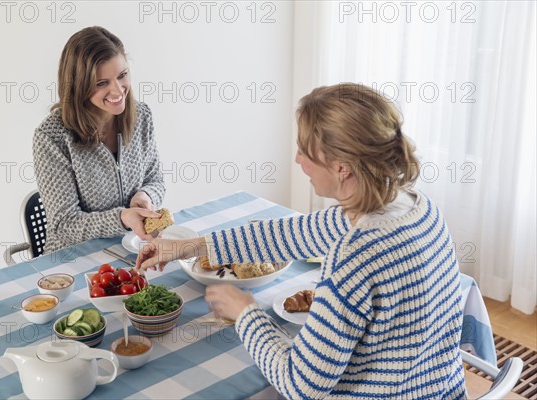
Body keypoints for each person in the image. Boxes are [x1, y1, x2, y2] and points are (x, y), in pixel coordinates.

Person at [136, 83, 467, 398]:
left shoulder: (356, 255)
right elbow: (289, 234)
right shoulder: (416, 206)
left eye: (305, 151)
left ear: (341, 168)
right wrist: (192, 246)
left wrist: (246, 313)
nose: (297, 160)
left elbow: (301, 385)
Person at [33, 26, 165, 253]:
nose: (118, 90)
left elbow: (155, 180)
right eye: (101, 83)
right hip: (72, 261)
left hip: (128, 249)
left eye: (122, 75)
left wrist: (145, 195)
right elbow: (64, 224)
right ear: (78, 87)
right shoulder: (51, 137)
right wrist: (123, 218)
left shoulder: (141, 116)